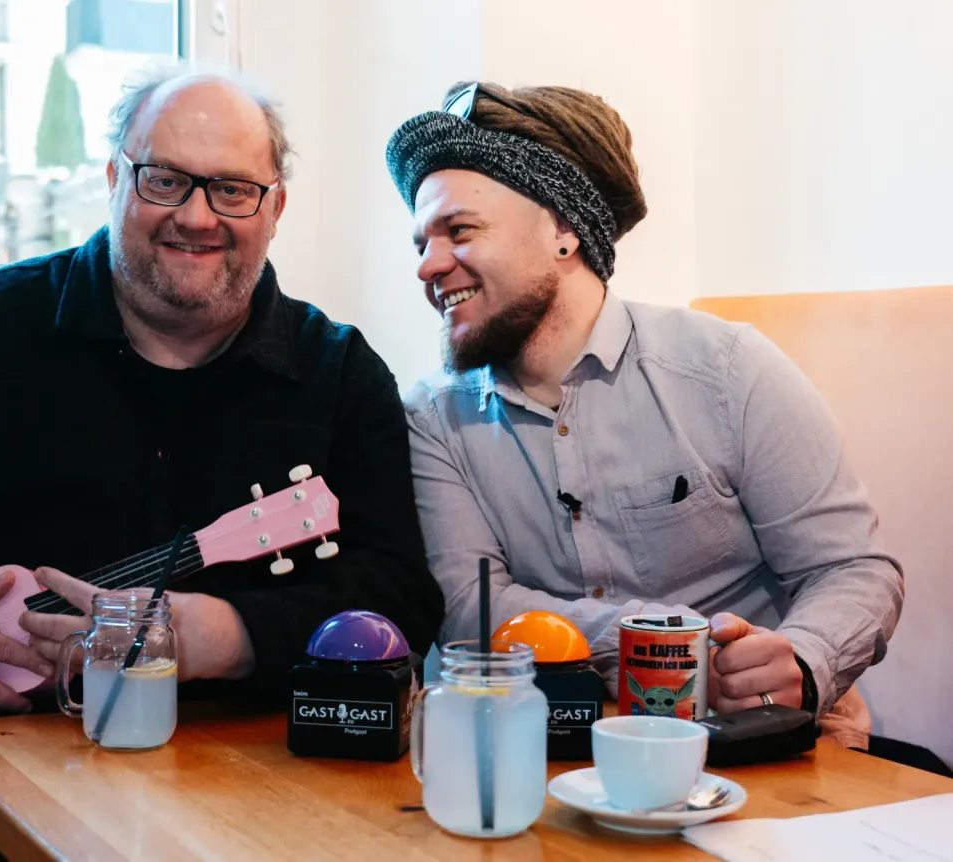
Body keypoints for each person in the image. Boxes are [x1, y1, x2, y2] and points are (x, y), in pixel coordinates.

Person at [0, 66, 442, 860]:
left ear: (275, 206)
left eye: (232, 189)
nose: (196, 216)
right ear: (113, 179)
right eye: (164, 180)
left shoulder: (337, 374)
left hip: (249, 768)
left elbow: (401, 592)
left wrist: (230, 635)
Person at [384, 81, 903, 744]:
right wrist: (671, 646)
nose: (427, 266)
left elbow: (851, 568)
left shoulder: (725, 369)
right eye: (419, 243)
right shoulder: (432, 418)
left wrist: (804, 655)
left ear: (563, 230)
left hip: (762, 748)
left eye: (459, 230)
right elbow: (470, 608)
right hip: (553, 755)